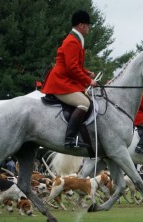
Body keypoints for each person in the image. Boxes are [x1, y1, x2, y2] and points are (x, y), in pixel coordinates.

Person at [41, 10, 97, 149]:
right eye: (87, 25)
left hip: (65, 79)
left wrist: (86, 73)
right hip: (60, 82)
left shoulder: (76, 40)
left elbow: (74, 65)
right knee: (84, 103)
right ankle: (70, 139)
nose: (89, 28)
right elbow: (72, 68)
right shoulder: (72, 41)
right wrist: (88, 81)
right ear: (81, 25)